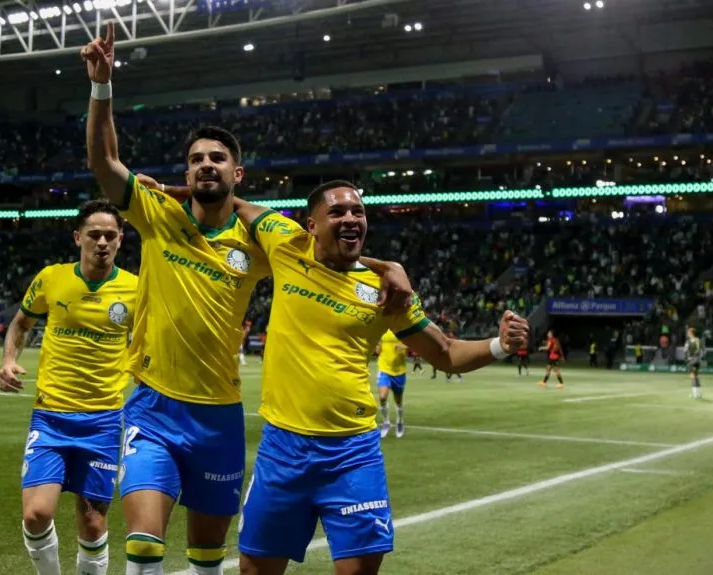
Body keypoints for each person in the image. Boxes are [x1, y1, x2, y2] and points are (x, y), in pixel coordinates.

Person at [81, 24, 412, 575]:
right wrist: (102, 86)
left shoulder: (263, 238)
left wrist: (389, 265)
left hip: (219, 416)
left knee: (210, 558)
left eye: (217, 158)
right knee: (142, 546)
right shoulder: (157, 214)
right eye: (195, 159)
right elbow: (103, 162)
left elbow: (329, 247)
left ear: (237, 173)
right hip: (153, 404)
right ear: (185, 172)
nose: (205, 164)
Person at [228, 181, 530, 574]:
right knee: (255, 570)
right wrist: (161, 188)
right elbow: (226, 200)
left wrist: (501, 345)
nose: (351, 218)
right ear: (311, 225)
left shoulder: (388, 291)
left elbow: (445, 353)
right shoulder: (285, 244)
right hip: (283, 447)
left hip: (352, 453)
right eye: (337, 212)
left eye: (358, 211)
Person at [0, 199, 138, 575]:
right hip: (51, 416)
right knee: (36, 513)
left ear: (121, 240)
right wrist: (9, 359)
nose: (102, 242)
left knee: (92, 523)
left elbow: (146, 347)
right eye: (94, 235)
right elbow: (21, 323)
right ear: (79, 237)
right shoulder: (52, 277)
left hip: (104, 421)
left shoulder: (137, 289)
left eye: (110, 235)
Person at [375, 330, 409, 439]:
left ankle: (400, 421)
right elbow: (378, 347)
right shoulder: (382, 327)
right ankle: (386, 422)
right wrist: (377, 348)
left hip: (399, 371)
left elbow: (413, 345)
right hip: (384, 368)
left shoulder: (403, 328)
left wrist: (404, 347)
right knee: (382, 397)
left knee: (398, 400)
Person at [684, 327, 702, 399]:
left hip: (692, 360)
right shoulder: (698, 340)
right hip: (697, 360)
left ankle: (695, 394)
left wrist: (688, 359)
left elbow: (685, 351)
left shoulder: (689, 341)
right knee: (696, 376)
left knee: (692, 377)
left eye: (689, 332)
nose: (688, 334)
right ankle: (698, 394)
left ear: (691, 333)